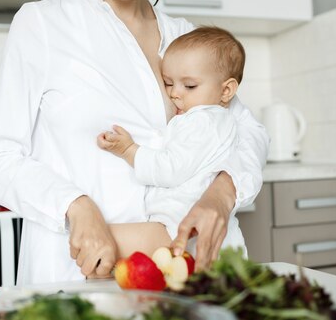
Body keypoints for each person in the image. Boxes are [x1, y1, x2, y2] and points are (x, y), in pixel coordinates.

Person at [0, 0, 268, 285]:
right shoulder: (42, 25)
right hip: (80, 277)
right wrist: (74, 205)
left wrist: (223, 193)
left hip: (186, 272)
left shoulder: (187, 39)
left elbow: (249, 133)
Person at [97, 26, 248, 256]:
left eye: (189, 86)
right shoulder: (201, 117)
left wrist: (129, 150)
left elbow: (171, 169)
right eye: (169, 83)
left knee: (100, 244)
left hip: (180, 228)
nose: (175, 93)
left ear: (226, 90)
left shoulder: (205, 122)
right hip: (177, 225)